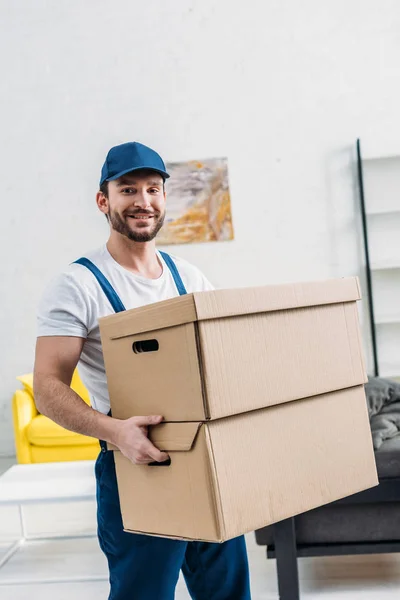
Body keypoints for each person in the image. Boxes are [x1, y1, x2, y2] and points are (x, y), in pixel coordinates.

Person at [33, 141, 251, 600]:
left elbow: (223, 362)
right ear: (103, 201)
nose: (143, 201)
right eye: (128, 189)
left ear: (165, 198)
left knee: (227, 592)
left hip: (206, 462)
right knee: (143, 594)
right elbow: (48, 387)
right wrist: (115, 432)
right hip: (136, 466)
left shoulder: (189, 278)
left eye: (153, 189)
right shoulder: (78, 285)